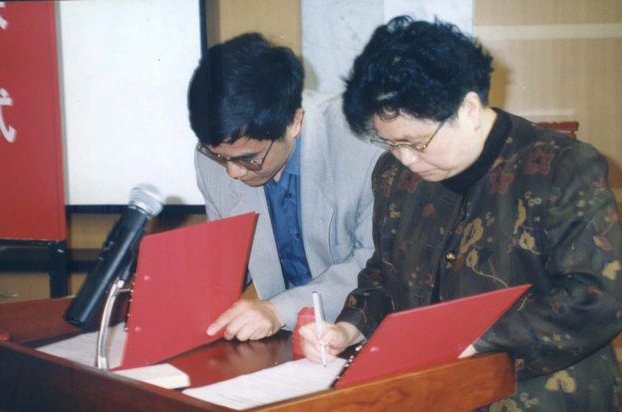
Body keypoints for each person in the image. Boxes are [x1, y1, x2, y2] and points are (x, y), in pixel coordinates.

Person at [299, 16, 622, 411]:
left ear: (467, 109)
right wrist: (348, 327)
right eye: (390, 143)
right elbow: (384, 272)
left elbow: (599, 296)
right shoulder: (393, 177)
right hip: (433, 393)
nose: (405, 159)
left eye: (417, 143)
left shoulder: (561, 167)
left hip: (544, 392)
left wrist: (475, 339)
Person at [187, 33, 382, 342]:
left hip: (361, 330)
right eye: (221, 157)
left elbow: (374, 267)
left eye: (249, 159)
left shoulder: (365, 145)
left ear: (294, 122)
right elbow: (225, 265)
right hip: (287, 342)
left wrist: (279, 310)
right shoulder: (215, 158)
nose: (233, 172)